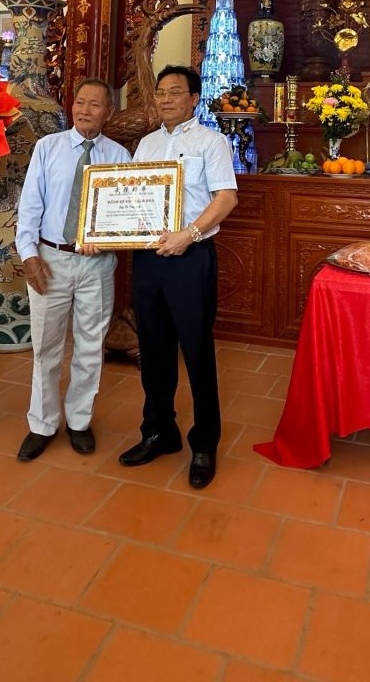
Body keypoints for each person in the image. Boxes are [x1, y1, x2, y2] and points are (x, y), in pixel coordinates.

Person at [118, 65, 237, 489]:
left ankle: (204, 443)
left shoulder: (211, 142)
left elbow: (226, 198)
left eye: (175, 92)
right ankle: (158, 432)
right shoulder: (146, 144)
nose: (166, 99)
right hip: (149, 259)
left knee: (197, 351)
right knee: (153, 349)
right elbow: (130, 194)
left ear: (193, 99)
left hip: (191, 257)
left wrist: (189, 235)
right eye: (161, 93)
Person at [15, 77, 131, 461]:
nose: (84, 110)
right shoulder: (48, 148)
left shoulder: (120, 157)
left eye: (94, 104)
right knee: (46, 347)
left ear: (108, 112)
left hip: (97, 265)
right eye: (80, 102)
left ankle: (79, 421)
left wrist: (109, 239)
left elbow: (127, 214)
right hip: (50, 260)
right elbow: (30, 205)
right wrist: (29, 255)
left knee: (90, 347)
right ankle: (42, 424)